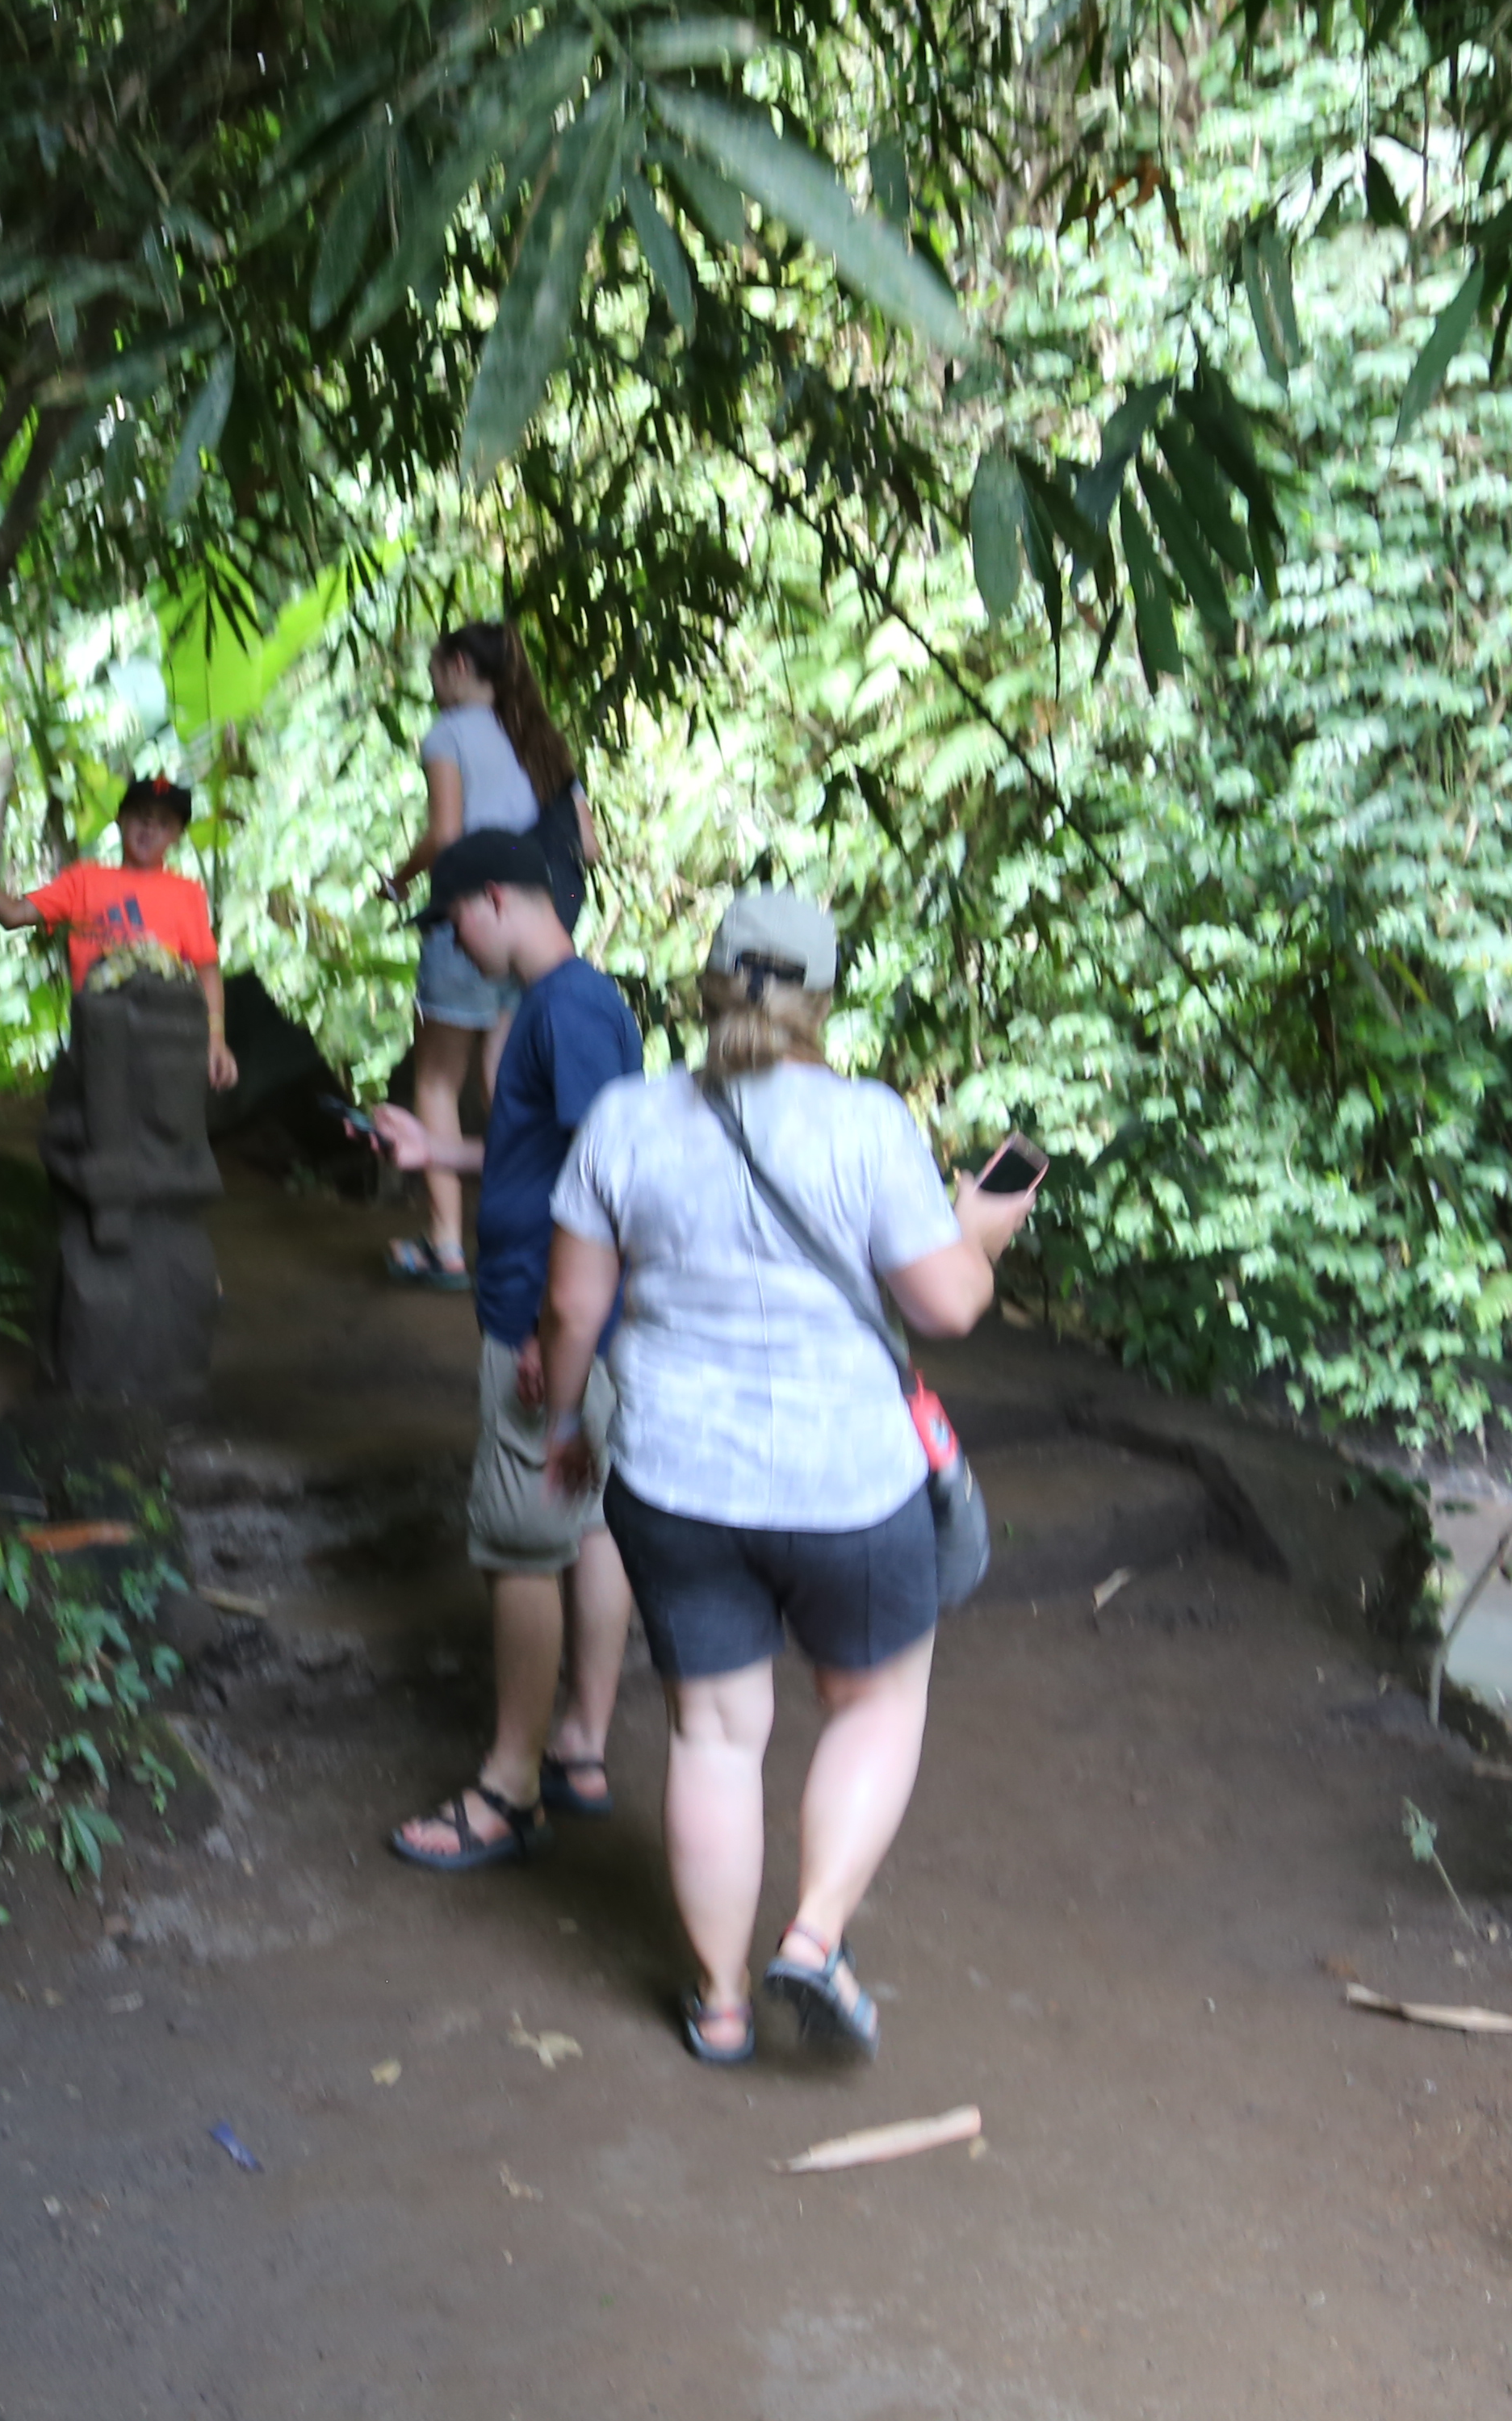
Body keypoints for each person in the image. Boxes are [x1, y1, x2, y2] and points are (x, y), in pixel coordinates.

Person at [526, 886, 1032, 2064]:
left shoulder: (627, 1119)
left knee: (713, 1733)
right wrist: (979, 1231)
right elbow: (947, 1304)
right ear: (823, 1001)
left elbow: (568, 1305)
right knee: (873, 1703)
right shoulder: (866, 1126)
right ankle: (811, 1935)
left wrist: (563, 1426)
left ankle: (716, 2004)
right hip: (848, 1485)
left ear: (707, 988)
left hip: (673, 1477)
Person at [361, 826, 640, 1871]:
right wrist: (442, 1149)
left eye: (451, 923)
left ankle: (507, 1787)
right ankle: (581, 1747)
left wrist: (546, 1331)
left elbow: (602, 1174)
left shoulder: (561, 1008)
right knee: (592, 1522)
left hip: (547, 1314)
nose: (454, 946)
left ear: (491, 901)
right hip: (585, 1320)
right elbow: (549, 1148)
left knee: (523, 1542)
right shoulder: (583, 1005)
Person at [371, 619, 599, 1288]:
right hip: (531, 926)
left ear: (459, 665)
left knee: (438, 1078)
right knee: (504, 1079)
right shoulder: (539, 738)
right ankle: (524, 1226)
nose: (431, 677)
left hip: (471, 917)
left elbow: (445, 833)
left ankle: (445, 1245)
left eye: (436, 664)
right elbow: (587, 848)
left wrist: (400, 879)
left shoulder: (449, 734)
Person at [0, 776, 239, 1092]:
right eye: (141, 817)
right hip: (97, 1039)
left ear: (176, 835)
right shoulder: (84, 880)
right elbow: (13, 914)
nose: (149, 830)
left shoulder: (186, 893)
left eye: (163, 823)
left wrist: (215, 1039)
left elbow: (206, 967)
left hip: (162, 1040)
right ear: (121, 819)